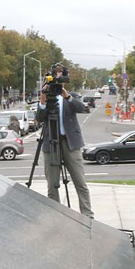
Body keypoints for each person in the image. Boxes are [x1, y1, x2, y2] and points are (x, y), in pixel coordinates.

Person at [37, 66, 94, 219]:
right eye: (56, 79)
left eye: (61, 80)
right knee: (52, 184)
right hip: (51, 144)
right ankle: (55, 215)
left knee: (80, 182)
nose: (59, 84)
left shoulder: (72, 96)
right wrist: (43, 99)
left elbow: (82, 108)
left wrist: (66, 96)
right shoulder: (47, 97)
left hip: (71, 143)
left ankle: (87, 215)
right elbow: (40, 118)